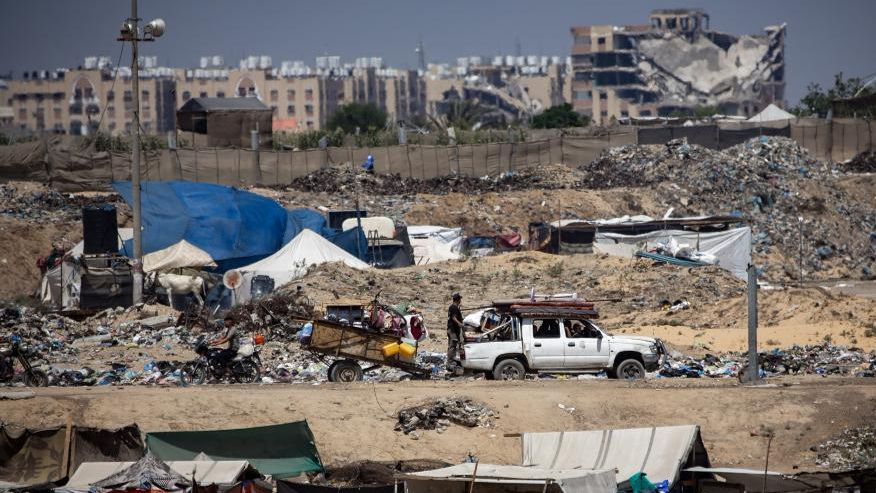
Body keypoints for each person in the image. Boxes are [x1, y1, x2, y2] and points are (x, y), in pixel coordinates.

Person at [446, 293, 464, 369]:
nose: (460, 300)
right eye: (460, 299)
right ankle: (449, 362)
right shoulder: (453, 307)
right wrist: (460, 324)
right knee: (453, 345)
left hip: (453, 330)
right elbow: (453, 317)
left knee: (452, 345)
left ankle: (452, 360)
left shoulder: (455, 307)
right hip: (452, 330)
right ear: (458, 300)